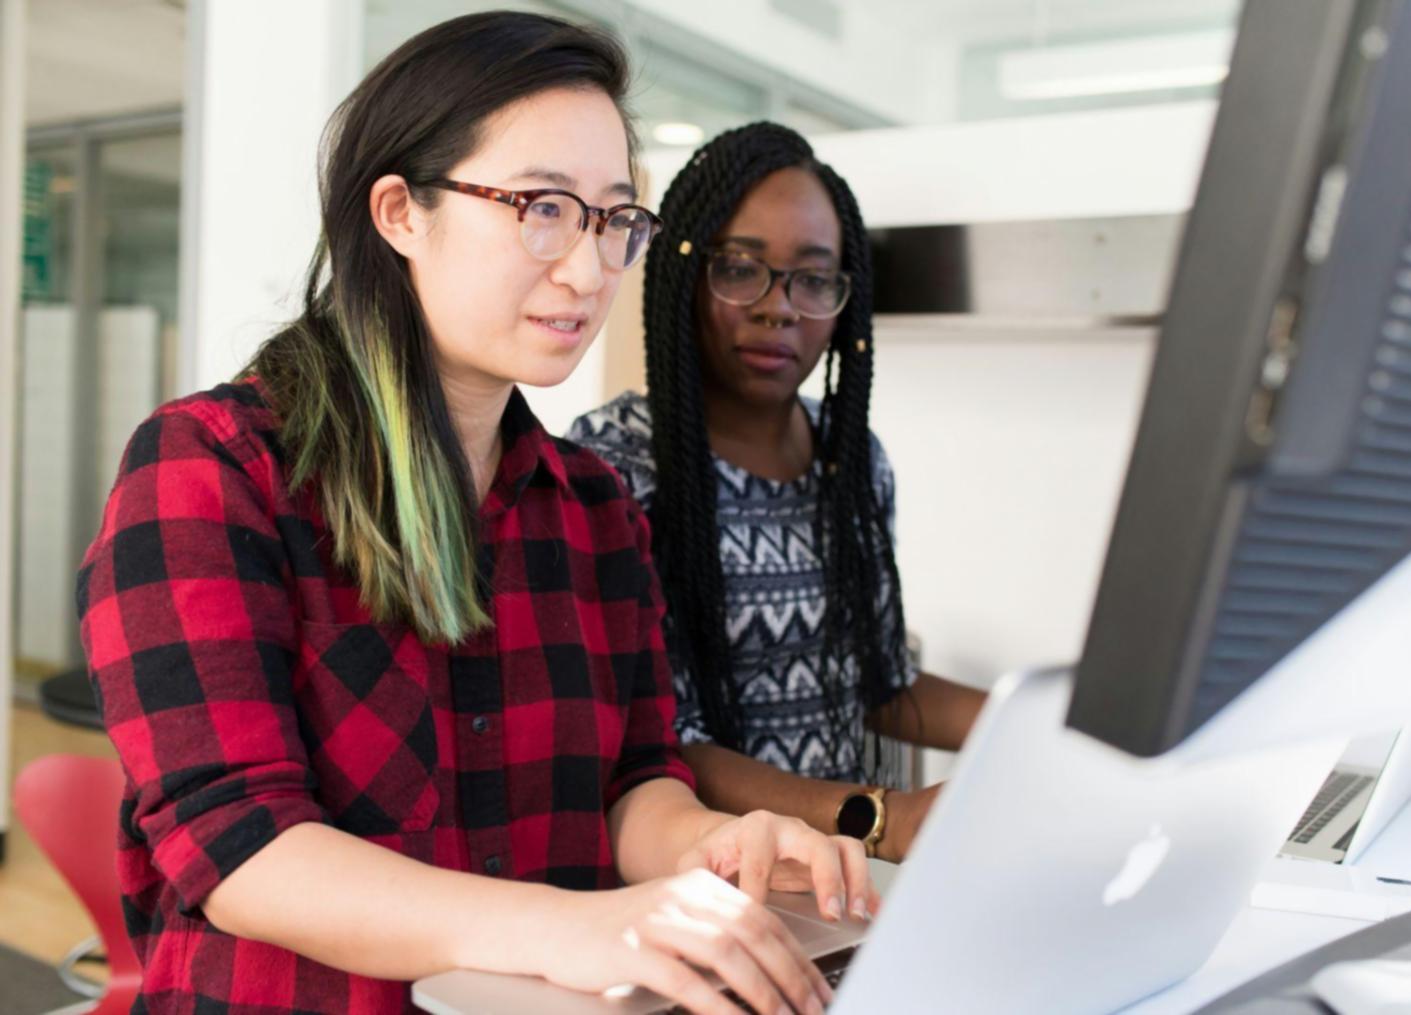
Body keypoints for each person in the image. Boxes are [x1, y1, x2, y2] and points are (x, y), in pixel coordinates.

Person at [76, 16, 869, 1015]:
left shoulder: (593, 504)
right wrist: (564, 924)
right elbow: (238, 845)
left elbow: (635, 781)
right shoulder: (211, 467)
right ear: (402, 212)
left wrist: (709, 840)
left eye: (612, 220)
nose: (587, 271)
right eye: (542, 207)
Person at [568, 123, 988, 866]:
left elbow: (879, 680)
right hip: (695, 882)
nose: (778, 307)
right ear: (683, 274)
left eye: (813, 278)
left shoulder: (850, 461)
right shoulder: (614, 465)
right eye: (740, 269)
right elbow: (659, 741)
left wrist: (1044, 725)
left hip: (834, 879)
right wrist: (878, 818)